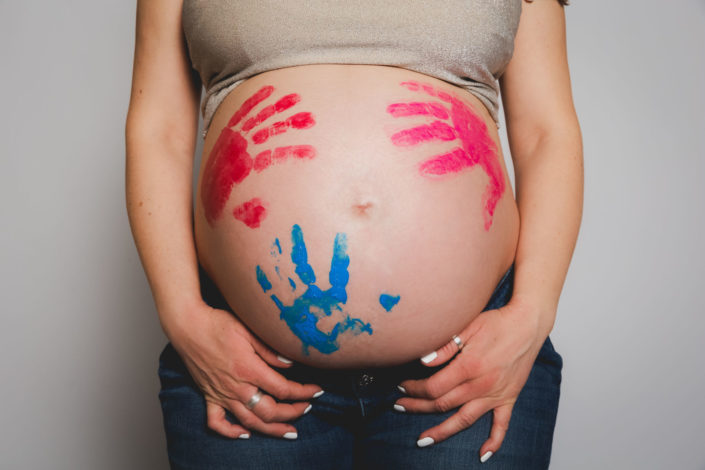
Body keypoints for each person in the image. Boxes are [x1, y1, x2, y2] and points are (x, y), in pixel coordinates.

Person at [125, 0, 582, 468]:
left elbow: (547, 134)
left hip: (467, 364)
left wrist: (531, 315)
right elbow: (158, 131)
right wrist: (183, 315)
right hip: (248, 367)